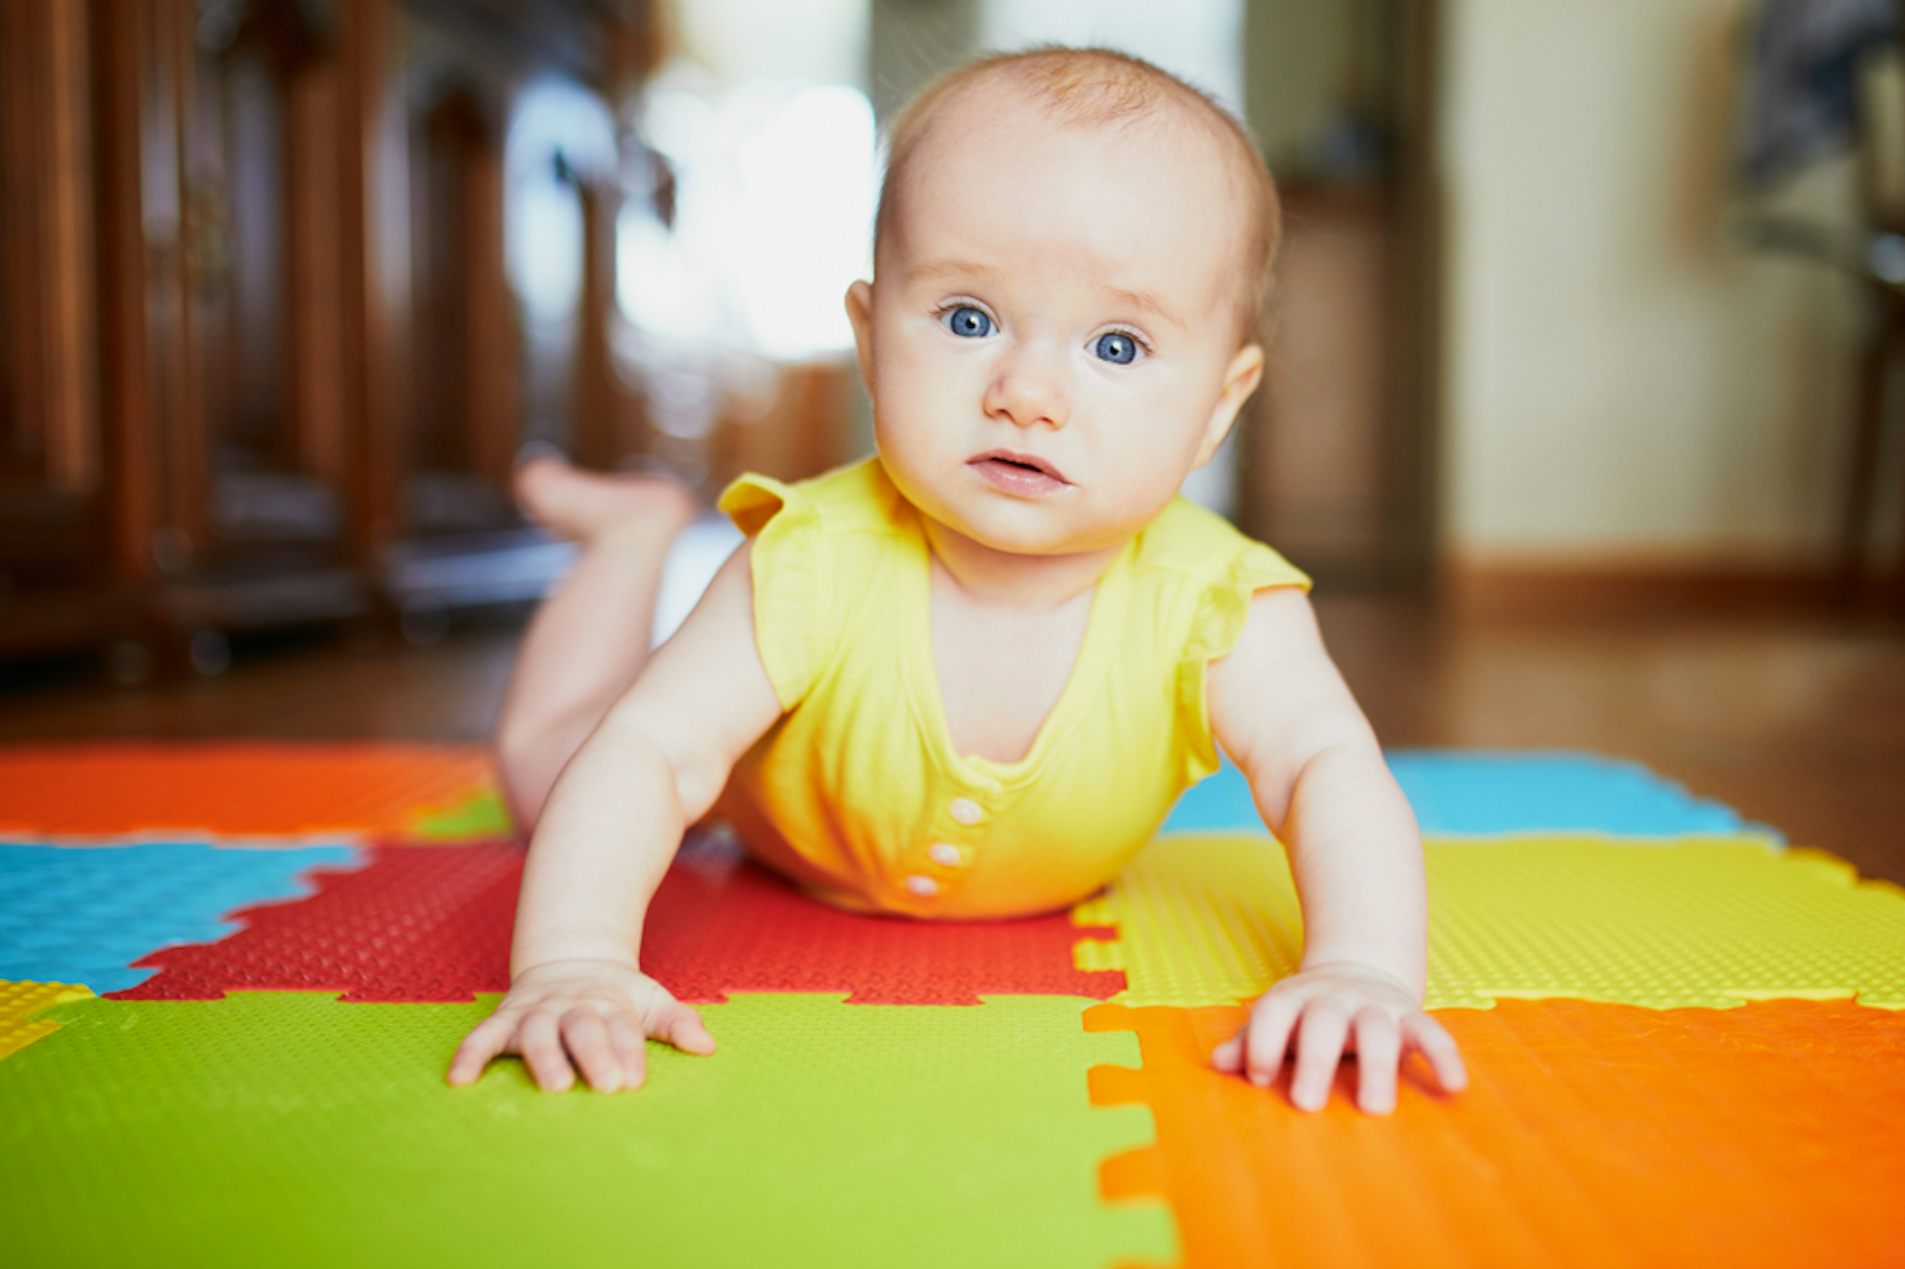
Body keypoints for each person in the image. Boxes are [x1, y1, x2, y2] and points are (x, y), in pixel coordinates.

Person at [447, 46, 1469, 1117]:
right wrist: (573, 960)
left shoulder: (1219, 603)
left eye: (1117, 345)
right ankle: (627, 541)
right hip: (761, 823)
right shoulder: (811, 560)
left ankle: (635, 529)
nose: (1026, 393)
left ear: (1219, 403)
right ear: (871, 338)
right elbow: (652, 751)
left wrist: (1362, 969)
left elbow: (1326, 769)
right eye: (968, 319)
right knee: (547, 780)